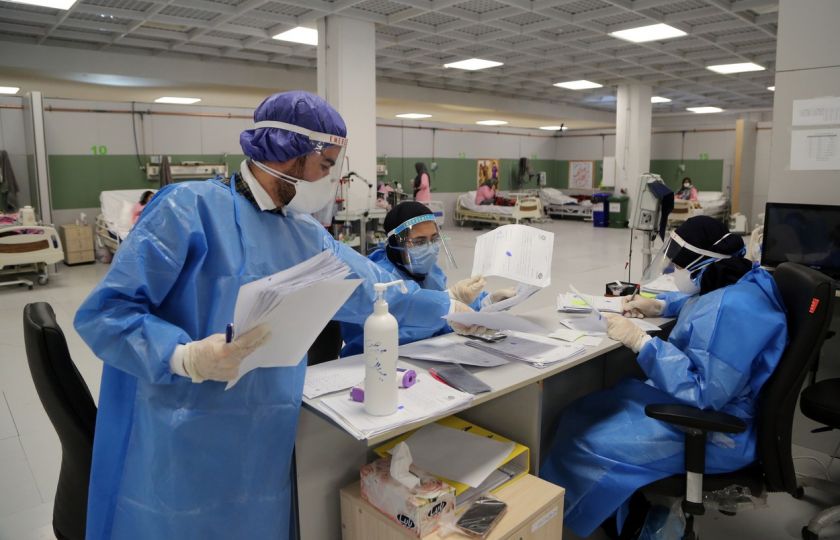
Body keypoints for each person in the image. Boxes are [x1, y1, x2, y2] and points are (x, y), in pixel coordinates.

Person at [74, 91, 483, 540]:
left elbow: (374, 289)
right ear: (289, 154)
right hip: (180, 432)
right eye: (326, 166)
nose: (330, 180)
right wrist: (185, 356)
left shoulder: (305, 233)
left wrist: (450, 303)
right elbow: (107, 314)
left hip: (264, 432)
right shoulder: (186, 209)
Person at [540, 216, 788, 538]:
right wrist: (658, 305)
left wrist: (642, 342)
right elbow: (699, 297)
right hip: (709, 410)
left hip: (717, 431)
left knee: (584, 440)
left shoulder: (732, 310)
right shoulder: (738, 279)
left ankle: (585, 524)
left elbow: (705, 392)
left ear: (701, 264)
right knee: (582, 412)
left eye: (679, 265)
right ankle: (621, 511)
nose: (674, 271)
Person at [340, 202, 516, 356]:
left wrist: (486, 303)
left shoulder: (430, 273)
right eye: (419, 242)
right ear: (395, 244)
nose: (430, 248)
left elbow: (441, 312)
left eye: (434, 239)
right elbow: (382, 337)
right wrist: (447, 311)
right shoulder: (377, 281)